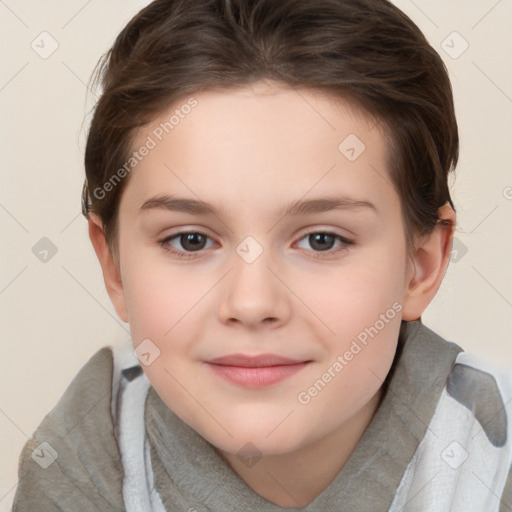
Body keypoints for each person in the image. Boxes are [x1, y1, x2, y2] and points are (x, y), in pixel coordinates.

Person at [12, 0, 512, 510]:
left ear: (421, 265)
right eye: (191, 240)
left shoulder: (495, 467)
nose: (252, 303)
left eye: (322, 240)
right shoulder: (81, 463)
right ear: (114, 268)